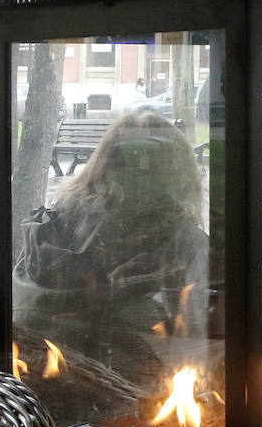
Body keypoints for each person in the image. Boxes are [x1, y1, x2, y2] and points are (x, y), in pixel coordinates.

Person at [13, 110, 210, 392]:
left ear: (102, 162)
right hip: (121, 386)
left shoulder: (58, 218)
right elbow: (196, 334)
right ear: (181, 174)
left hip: (34, 377)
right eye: (133, 160)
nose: (139, 172)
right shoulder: (180, 237)